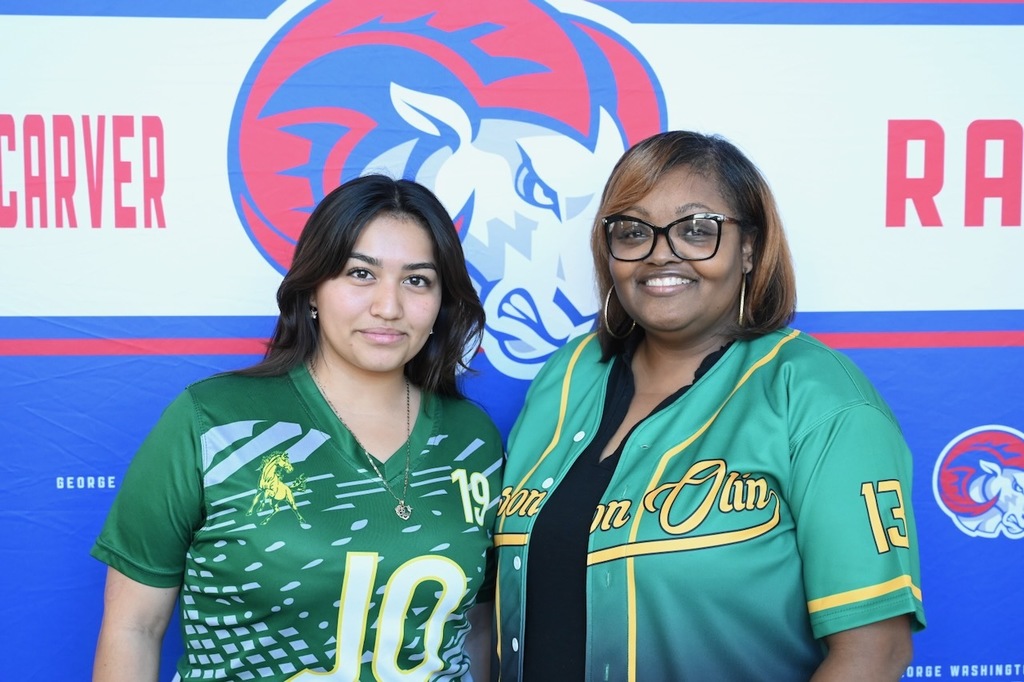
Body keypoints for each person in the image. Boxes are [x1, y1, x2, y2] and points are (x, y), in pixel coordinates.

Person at [494, 131, 926, 680]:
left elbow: (874, 653)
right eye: (632, 231)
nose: (659, 253)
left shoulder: (819, 397)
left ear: (749, 247)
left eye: (697, 230)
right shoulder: (567, 375)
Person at [91, 174, 504, 681]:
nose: (389, 307)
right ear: (312, 288)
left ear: (442, 302)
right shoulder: (213, 420)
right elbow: (134, 626)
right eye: (360, 274)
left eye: (417, 280)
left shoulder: (474, 439)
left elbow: (477, 630)